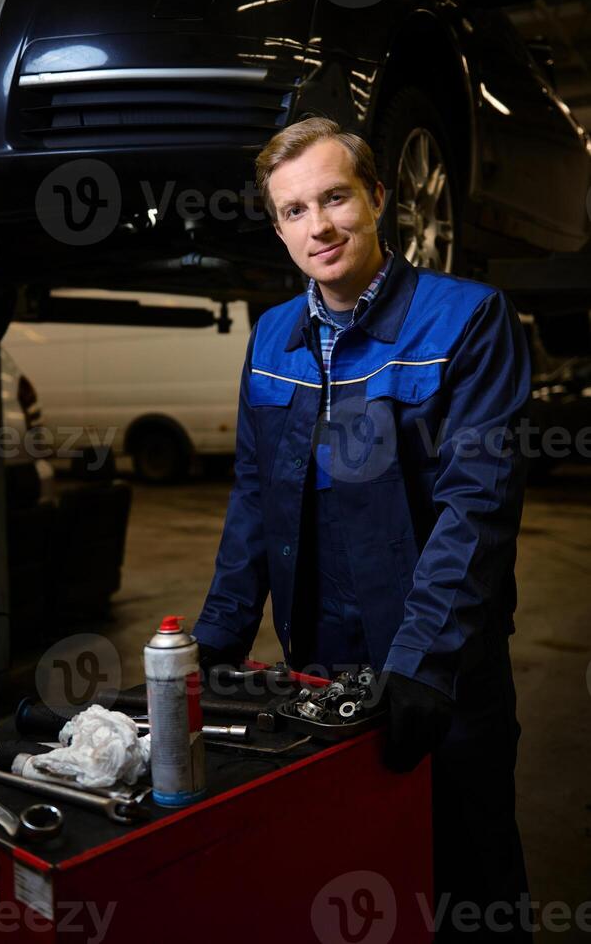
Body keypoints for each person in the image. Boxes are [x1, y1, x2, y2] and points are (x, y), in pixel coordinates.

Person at [193, 117, 532, 940]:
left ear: (379, 198)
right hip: (318, 670)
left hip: (440, 677)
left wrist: (422, 663)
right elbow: (254, 498)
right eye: (297, 210)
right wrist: (216, 642)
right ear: (278, 226)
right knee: (345, 880)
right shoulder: (274, 336)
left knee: (466, 886)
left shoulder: (470, 321)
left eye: (337, 197)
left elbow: (475, 507)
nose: (321, 227)